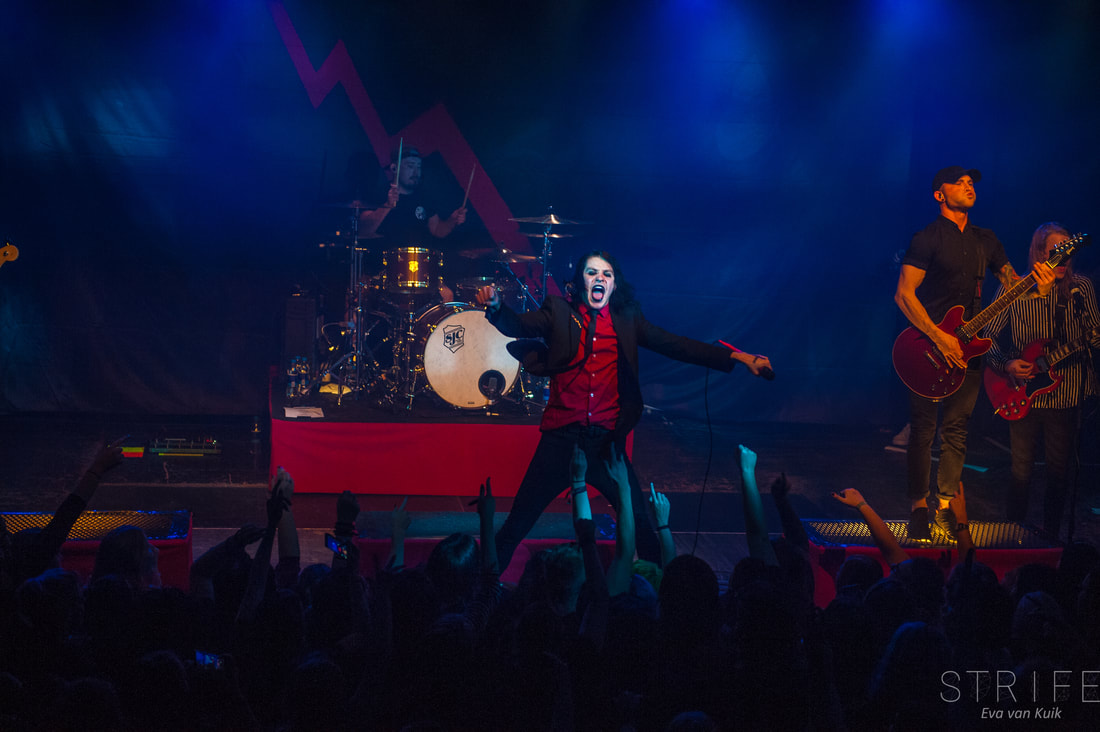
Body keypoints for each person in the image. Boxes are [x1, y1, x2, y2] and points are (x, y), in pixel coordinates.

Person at [475, 250, 773, 571]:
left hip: (606, 444)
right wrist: (496, 308)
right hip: (561, 440)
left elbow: (675, 344)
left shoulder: (627, 319)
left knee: (641, 524)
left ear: (614, 285)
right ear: (580, 281)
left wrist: (735, 357)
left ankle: (660, 592)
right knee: (519, 522)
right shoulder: (558, 311)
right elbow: (520, 324)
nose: (599, 279)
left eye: (607, 274)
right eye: (592, 272)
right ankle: (482, 588)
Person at [894, 166, 1054, 541]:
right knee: (923, 430)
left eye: (971, 184)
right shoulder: (926, 238)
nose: (968, 187)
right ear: (939, 194)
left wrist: (1039, 287)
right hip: (926, 349)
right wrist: (939, 337)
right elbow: (903, 294)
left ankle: (945, 505)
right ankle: (918, 507)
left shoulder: (987, 240)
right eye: (960, 183)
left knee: (957, 430)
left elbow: (1014, 285)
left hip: (969, 352)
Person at [984, 222, 1100, 540]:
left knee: (1059, 474)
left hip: (1066, 395)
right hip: (1020, 391)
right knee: (1020, 472)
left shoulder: (1081, 288)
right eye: (1056, 252)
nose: (1064, 258)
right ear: (1039, 254)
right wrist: (1006, 363)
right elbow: (986, 337)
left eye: (1068, 251)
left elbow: (1095, 337)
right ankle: (1012, 537)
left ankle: (1050, 540)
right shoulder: (1013, 288)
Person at [359, 145, 467, 301]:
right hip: (382, 270)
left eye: (418, 167)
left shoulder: (424, 197)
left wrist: (452, 221)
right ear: (394, 168)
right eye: (410, 166)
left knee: (447, 295)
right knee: (361, 296)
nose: (416, 172)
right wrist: (387, 205)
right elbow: (364, 229)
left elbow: (437, 229)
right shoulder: (379, 193)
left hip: (418, 270)